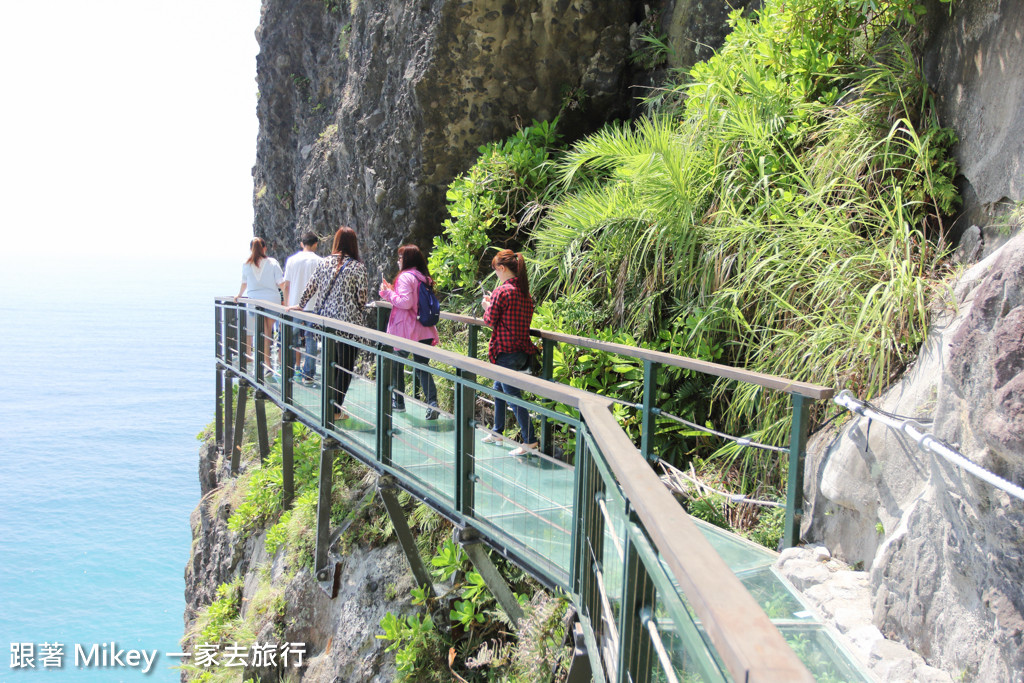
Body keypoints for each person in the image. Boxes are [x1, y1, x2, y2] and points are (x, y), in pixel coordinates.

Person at [290, 226, 368, 421]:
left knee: (331, 365)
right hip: (349, 325)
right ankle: (334, 408)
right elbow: (361, 298)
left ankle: (329, 405)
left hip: (325, 324)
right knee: (345, 367)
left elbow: (311, 287)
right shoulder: (358, 267)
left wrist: (299, 306)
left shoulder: (324, 263)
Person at [482, 249, 539, 456]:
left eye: (496, 270)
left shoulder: (502, 292)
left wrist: (486, 306)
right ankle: (497, 431)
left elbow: (490, 320)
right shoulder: (525, 293)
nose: (496, 274)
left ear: (502, 268)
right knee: (499, 389)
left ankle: (530, 441)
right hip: (521, 351)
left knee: (513, 395)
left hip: (505, 351)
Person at [379, 244, 440, 420]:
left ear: (406, 259)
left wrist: (387, 294)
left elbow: (405, 303)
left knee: (397, 362)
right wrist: (392, 290)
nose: (398, 261)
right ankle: (432, 404)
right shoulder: (423, 277)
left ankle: (398, 402)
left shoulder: (406, 277)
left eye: (400, 258)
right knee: (422, 367)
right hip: (425, 329)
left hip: (407, 330)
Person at [234, 237, 284, 374]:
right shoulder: (272, 262)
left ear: (251, 249)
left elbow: (244, 283)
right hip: (272, 301)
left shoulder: (246, 264)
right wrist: (287, 300)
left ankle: (264, 364)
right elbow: (281, 283)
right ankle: (267, 364)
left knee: (261, 332)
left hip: (255, 302)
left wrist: (238, 296)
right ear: (265, 248)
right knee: (268, 331)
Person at [282, 232, 322, 384]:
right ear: (315, 244)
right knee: (311, 339)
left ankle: (290, 370)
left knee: (292, 338)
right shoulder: (320, 261)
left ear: (301, 243)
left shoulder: (292, 260)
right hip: (313, 306)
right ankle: (309, 374)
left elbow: (286, 284)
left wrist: (286, 305)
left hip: (294, 305)